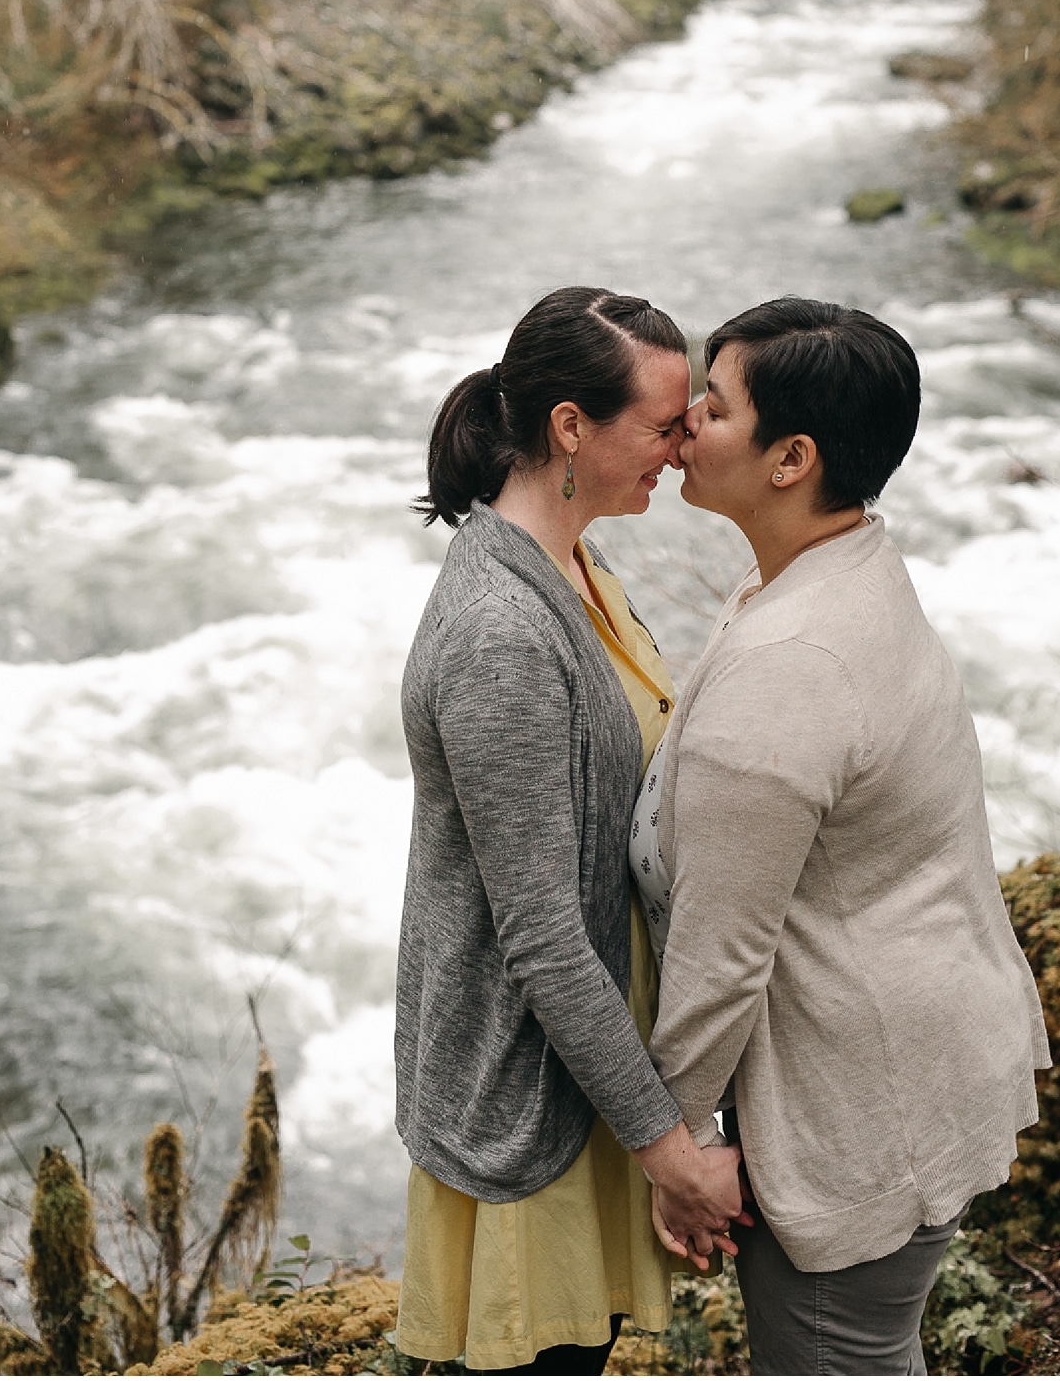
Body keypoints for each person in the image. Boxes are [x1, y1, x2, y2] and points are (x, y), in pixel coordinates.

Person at [634, 297, 1051, 1377]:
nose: (682, 423)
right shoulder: (847, 562)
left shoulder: (792, 664)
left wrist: (679, 1145)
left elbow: (723, 953)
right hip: (925, 1049)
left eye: (712, 408)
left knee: (832, 1355)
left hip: (858, 1099)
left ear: (792, 459)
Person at [394, 286, 744, 1376]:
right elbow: (541, 932)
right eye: (662, 420)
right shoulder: (502, 632)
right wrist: (670, 1152)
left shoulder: (579, 564)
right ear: (569, 428)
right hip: (524, 1102)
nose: (683, 442)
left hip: (586, 1075)